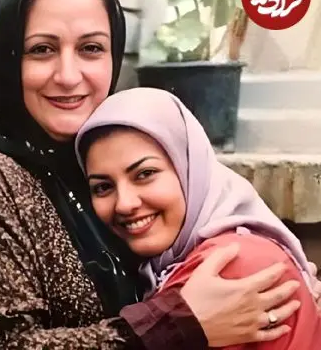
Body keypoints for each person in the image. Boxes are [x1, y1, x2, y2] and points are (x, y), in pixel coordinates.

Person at [0, 0, 316, 350]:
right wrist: (179, 324)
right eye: (41, 49)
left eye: (91, 48)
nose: (68, 75)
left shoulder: (107, 165)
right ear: (9, 59)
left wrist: (286, 275)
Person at [75, 87, 321, 348]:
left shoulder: (225, 265)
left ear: (191, 170)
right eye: (103, 187)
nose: (124, 204)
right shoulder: (182, 260)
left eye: (145, 174)